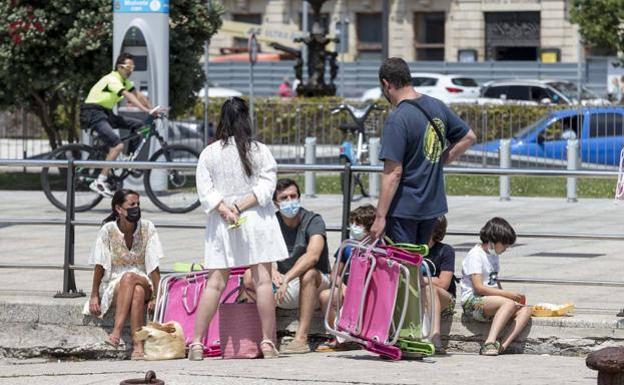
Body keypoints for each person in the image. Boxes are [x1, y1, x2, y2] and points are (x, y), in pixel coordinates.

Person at [190, 97, 288, 360]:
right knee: (263, 280)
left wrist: (225, 208)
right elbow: (267, 187)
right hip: (255, 220)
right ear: (246, 118)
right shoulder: (259, 150)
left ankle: (197, 343)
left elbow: (205, 191)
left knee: (216, 283)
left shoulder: (209, 153)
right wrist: (241, 206)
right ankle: (268, 342)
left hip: (223, 222)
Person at [369, 57, 476, 245]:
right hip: (432, 206)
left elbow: (394, 172)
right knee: (420, 263)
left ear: (386, 84)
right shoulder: (437, 106)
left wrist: (380, 217)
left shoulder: (398, 119)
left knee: (404, 267)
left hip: (404, 209)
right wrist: (439, 159)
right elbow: (469, 137)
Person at [245, 178, 330, 354]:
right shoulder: (271, 222)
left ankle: (301, 339)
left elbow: (312, 256)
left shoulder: (313, 220)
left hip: (316, 282)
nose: (290, 201)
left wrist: (287, 278)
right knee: (248, 275)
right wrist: (273, 270)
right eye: (284, 198)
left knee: (309, 274)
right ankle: (264, 337)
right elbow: (257, 253)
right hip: (284, 283)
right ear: (276, 203)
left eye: (293, 196)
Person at [83, 189, 164, 360]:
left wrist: (157, 295)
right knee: (137, 292)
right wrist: (94, 294)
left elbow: (153, 266)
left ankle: (116, 331)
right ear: (119, 209)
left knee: (132, 279)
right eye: (132, 205)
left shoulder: (147, 228)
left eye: (138, 204)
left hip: (143, 278)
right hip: (116, 281)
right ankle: (138, 346)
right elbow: (100, 264)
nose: (136, 208)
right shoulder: (108, 230)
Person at [80, 52, 164, 197]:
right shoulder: (112, 79)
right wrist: (145, 110)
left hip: (106, 113)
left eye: (133, 67)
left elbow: (138, 95)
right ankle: (100, 181)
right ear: (119, 67)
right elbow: (127, 95)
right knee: (117, 145)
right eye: (128, 67)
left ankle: (128, 159)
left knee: (139, 126)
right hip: (93, 113)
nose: (130, 70)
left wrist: (152, 109)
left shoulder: (124, 81)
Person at [459, 217, 531, 356]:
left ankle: (502, 345)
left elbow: (494, 282)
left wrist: (508, 297)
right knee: (509, 303)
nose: (505, 248)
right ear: (493, 241)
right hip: (473, 301)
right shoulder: (475, 255)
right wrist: (508, 296)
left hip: (490, 301)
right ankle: (489, 342)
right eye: (504, 244)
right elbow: (479, 288)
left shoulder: (493, 255)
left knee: (525, 310)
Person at [316, 204, 375, 352]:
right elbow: (334, 273)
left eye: (358, 224)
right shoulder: (347, 247)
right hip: (347, 289)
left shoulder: (378, 248)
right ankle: (338, 338)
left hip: (369, 292)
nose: (354, 227)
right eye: (352, 223)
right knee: (327, 296)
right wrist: (343, 286)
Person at [422, 215, 456, 355]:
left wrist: (418, 278)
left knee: (431, 289)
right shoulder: (414, 249)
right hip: (420, 296)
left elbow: (443, 283)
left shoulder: (446, 251)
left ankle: (435, 336)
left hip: (445, 298)